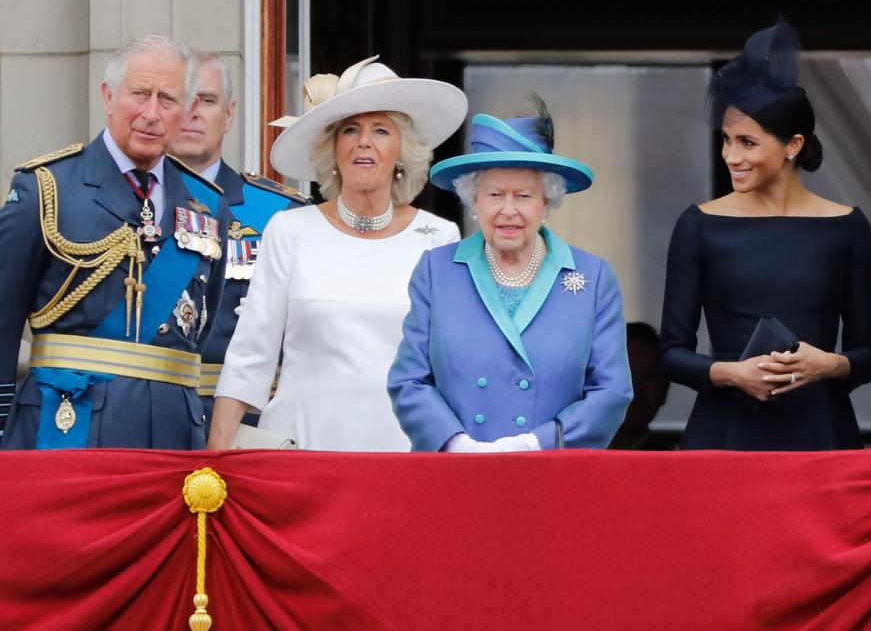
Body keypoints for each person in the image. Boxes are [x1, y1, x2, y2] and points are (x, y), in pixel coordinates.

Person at [206, 57, 464, 450]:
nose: (364, 141)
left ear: (401, 152)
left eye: (381, 130)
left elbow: (451, 365)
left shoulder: (438, 237)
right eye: (350, 130)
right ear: (334, 149)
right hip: (303, 449)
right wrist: (216, 460)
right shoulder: (290, 229)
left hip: (402, 451)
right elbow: (250, 353)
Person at [658, 20, 871, 451]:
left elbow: (868, 356)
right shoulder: (699, 224)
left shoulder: (847, 226)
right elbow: (671, 354)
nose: (730, 156)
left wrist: (828, 364)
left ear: (793, 145)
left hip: (820, 435)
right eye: (726, 140)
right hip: (725, 435)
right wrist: (730, 373)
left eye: (747, 142)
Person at [0, 34, 229, 449]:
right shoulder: (48, 188)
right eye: (139, 94)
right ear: (108, 96)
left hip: (173, 436)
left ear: (187, 110)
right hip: (67, 426)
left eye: (168, 99)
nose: (151, 113)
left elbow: (204, 329)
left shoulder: (209, 206)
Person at [387, 96, 632, 452]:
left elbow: (612, 392)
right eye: (495, 194)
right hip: (455, 473)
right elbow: (408, 381)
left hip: (551, 474)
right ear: (474, 200)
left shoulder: (592, 278)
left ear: (547, 201)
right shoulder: (436, 271)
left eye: (524, 196)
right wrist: (456, 445)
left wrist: (535, 443)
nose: (508, 210)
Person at [167, 51, 308, 423]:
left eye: (208, 101)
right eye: (181, 99)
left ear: (228, 115)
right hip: (148, 415)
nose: (193, 112)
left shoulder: (282, 214)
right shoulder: (125, 203)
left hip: (250, 420)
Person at [610, 322, 674, 450]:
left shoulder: (672, 466)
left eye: (649, 376)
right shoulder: (568, 452)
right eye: (626, 374)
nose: (636, 387)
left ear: (664, 390)